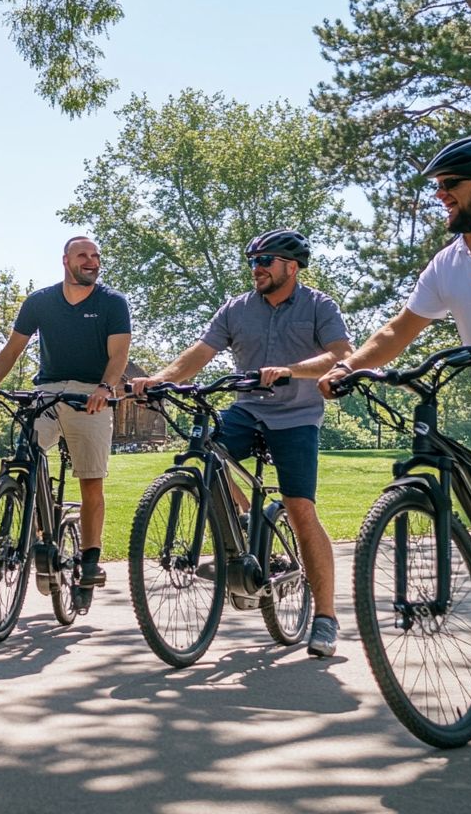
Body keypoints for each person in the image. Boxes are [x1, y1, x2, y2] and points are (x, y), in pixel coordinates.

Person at [319, 134, 471, 663]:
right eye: (439, 187)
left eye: (451, 186)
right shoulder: (447, 263)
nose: (441, 196)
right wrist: (351, 364)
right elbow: (399, 328)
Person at [134, 229, 353, 658]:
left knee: (300, 509)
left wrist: (291, 370)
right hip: (248, 409)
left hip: (296, 417)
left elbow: (340, 353)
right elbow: (200, 352)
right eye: (253, 260)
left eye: (266, 260)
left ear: (291, 267)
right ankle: (250, 520)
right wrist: (161, 379)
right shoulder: (236, 309)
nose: (257, 267)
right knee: (209, 454)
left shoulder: (318, 305)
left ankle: (325, 617)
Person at [0, 236, 131, 597]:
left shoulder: (112, 302)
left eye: (96, 256)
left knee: (91, 480)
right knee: (25, 458)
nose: (91, 261)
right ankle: (43, 536)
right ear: (65, 261)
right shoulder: (40, 301)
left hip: (91, 394)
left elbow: (119, 354)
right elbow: (14, 347)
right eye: (83, 256)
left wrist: (105, 388)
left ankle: (90, 559)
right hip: (46, 391)